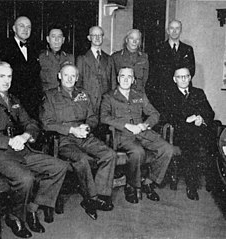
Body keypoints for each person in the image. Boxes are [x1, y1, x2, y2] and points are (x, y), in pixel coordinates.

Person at [0, 62, 67, 238]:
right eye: (2, 76)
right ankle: (14, 217)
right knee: (26, 178)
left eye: (9, 76)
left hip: (21, 149)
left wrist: (25, 136)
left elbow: (30, 123)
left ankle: (32, 209)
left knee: (59, 166)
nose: (6, 81)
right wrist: (8, 141)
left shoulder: (14, 100)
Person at [40, 62, 117, 221]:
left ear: (77, 78)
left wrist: (87, 127)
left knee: (110, 154)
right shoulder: (50, 96)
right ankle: (91, 199)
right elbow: (46, 123)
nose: (69, 78)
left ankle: (101, 195)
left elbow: (93, 117)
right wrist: (71, 130)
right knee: (82, 159)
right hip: (63, 139)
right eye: (66, 75)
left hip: (84, 136)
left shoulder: (83, 94)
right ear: (59, 76)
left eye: (73, 76)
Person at [100, 67, 174, 204]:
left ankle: (148, 182)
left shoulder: (139, 95)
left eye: (130, 77)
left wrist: (145, 125)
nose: (126, 79)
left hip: (143, 132)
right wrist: (127, 125)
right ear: (118, 78)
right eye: (123, 76)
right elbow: (104, 117)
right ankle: (131, 186)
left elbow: (154, 114)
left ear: (134, 80)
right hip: (122, 135)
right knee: (137, 152)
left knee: (167, 149)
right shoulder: (109, 96)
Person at [161, 66, 216, 201]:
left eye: (186, 76)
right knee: (192, 144)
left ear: (190, 78)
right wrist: (186, 120)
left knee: (213, 141)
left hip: (200, 130)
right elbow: (167, 116)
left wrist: (201, 118)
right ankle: (191, 186)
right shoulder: (169, 94)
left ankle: (212, 181)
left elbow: (210, 113)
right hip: (180, 133)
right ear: (174, 79)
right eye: (180, 77)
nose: (184, 79)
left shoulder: (198, 93)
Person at [146, 19, 195, 113]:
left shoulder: (188, 49)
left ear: (181, 30)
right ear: (167, 31)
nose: (174, 31)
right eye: (171, 28)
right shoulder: (158, 49)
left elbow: (191, 70)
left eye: (177, 28)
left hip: (182, 90)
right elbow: (154, 73)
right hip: (164, 92)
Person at [0, 16, 41, 120]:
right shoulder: (4, 47)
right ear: (14, 28)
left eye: (28, 27)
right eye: (21, 26)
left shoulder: (35, 48)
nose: (25, 29)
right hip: (14, 101)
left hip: (33, 102)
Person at [76, 26, 114, 114]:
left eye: (100, 35)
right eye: (94, 35)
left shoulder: (109, 59)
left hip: (105, 105)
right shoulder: (82, 58)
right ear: (89, 38)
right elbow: (78, 84)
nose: (97, 38)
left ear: (103, 37)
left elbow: (113, 84)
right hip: (87, 104)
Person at [39, 26, 74, 92]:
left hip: (65, 98)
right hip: (48, 98)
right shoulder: (41, 58)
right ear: (48, 39)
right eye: (53, 36)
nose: (56, 40)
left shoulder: (70, 58)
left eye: (59, 37)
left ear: (63, 40)